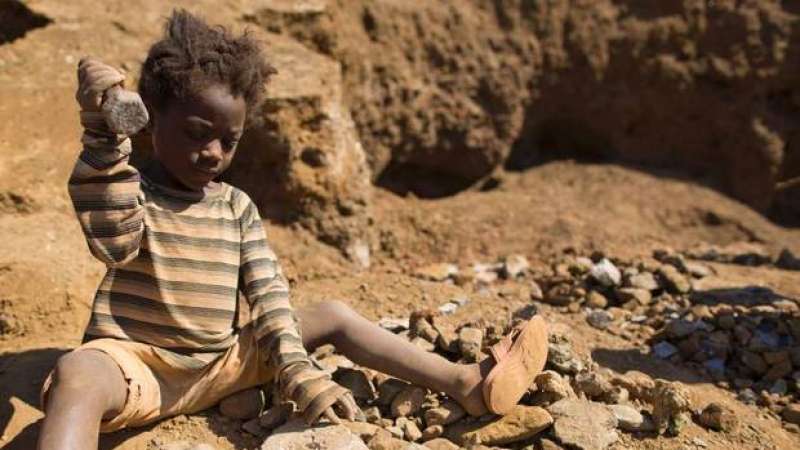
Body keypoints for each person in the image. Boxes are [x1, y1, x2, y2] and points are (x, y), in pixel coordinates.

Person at [38, 10, 548, 450]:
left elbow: (269, 296)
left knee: (332, 316)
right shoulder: (132, 192)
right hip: (140, 368)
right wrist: (103, 136)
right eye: (196, 133)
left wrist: (299, 372)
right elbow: (113, 241)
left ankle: (466, 382)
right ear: (152, 120)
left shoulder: (236, 207)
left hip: (223, 364)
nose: (213, 153)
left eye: (229, 141)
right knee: (78, 374)